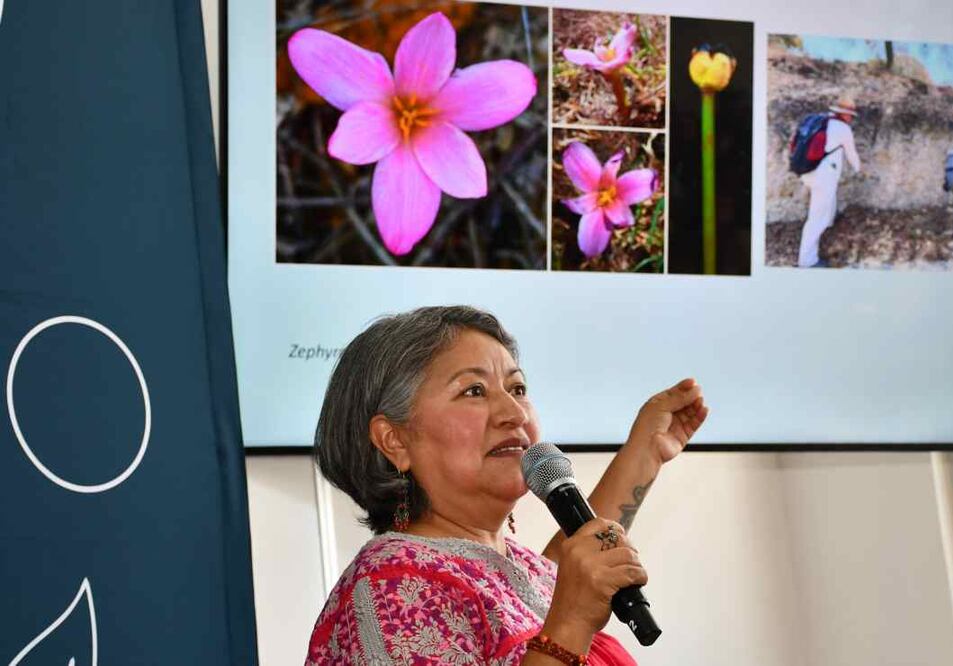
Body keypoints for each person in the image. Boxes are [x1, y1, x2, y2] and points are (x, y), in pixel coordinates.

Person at [306, 306, 709, 665]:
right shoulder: (390, 585)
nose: (515, 412)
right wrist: (570, 623)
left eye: (517, 388)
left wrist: (645, 453)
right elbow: (562, 605)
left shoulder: (516, 567)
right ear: (395, 440)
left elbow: (563, 568)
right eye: (474, 391)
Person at [797, 97, 862, 268]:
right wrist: (859, 169)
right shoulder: (842, 128)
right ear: (844, 115)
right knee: (816, 219)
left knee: (826, 201)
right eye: (850, 115)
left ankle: (831, 219)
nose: (851, 118)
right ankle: (807, 261)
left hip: (808, 172)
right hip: (823, 177)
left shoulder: (819, 120)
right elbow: (852, 154)